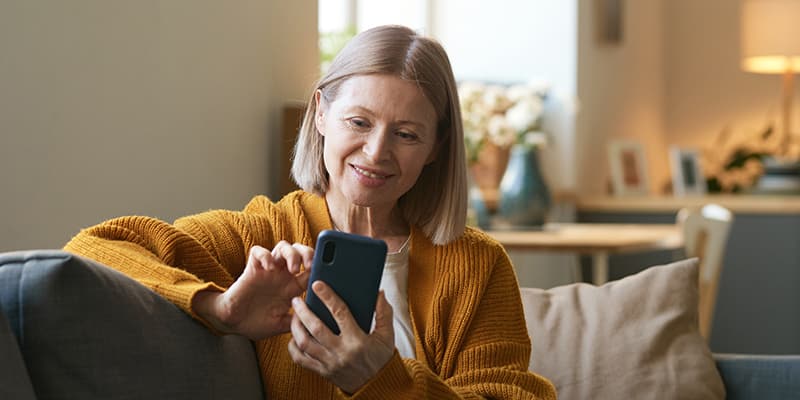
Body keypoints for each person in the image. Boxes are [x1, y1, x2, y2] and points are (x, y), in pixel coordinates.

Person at [64, 24, 556, 399]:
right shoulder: (262, 234)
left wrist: (380, 380)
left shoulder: (477, 265)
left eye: (406, 134)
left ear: (435, 148)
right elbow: (94, 247)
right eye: (358, 122)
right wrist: (222, 308)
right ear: (321, 114)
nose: (377, 152)